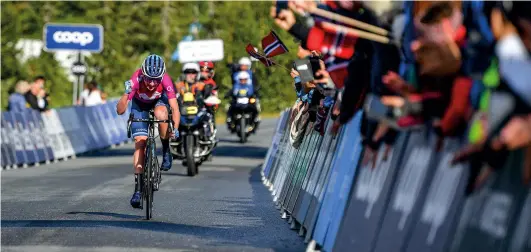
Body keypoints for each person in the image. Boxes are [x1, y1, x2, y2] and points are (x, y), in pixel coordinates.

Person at [115, 54, 180, 209]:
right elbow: (120, 110)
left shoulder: (165, 80)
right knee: (140, 142)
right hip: (139, 105)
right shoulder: (136, 79)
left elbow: (175, 108)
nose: (152, 83)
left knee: (161, 115)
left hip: (159, 102)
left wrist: (175, 129)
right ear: (143, 74)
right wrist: (126, 94)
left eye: (156, 80)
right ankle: (138, 189)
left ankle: (166, 149)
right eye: (148, 79)